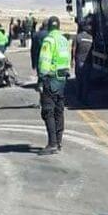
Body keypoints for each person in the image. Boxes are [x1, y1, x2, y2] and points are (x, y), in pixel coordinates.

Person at [37, 16, 71, 155]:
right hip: (62, 79)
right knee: (59, 110)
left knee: (48, 111)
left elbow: (44, 61)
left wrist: (41, 78)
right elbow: (67, 59)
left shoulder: (49, 40)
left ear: (49, 27)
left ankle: (52, 143)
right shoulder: (63, 40)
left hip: (50, 79)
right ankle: (59, 141)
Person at [72, 18, 94, 105]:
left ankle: (78, 97)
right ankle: (85, 99)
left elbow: (74, 50)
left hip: (79, 61)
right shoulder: (91, 38)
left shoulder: (77, 37)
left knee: (79, 80)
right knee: (86, 81)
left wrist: (72, 61)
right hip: (88, 62)